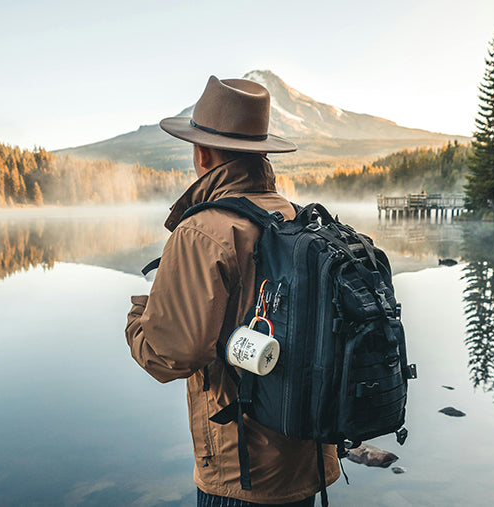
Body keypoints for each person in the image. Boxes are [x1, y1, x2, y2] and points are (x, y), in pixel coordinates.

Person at [125, 76, 340, 506]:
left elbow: (171, 355)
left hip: (239, 473)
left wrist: (139, 318)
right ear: (262, 152)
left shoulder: (202, 231)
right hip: (307, 457)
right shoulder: (297, 217)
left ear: (201, 152)